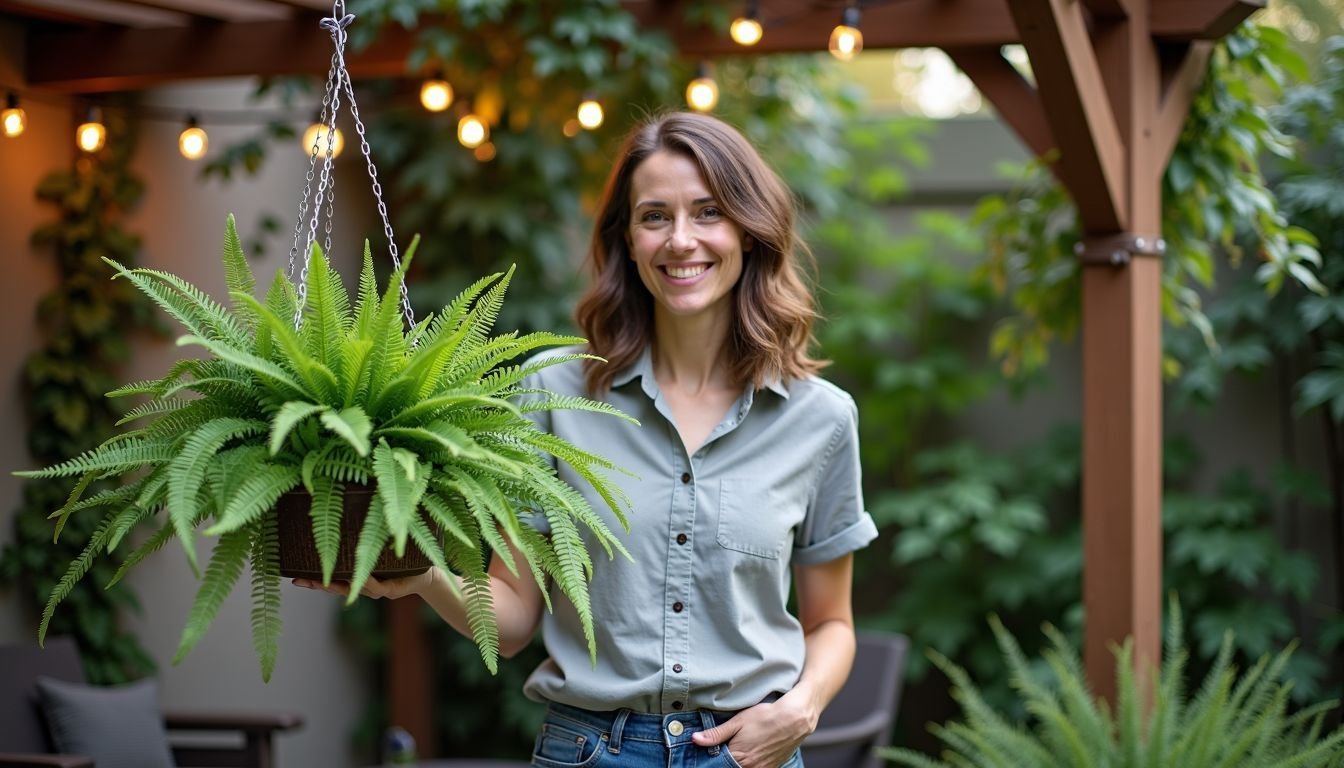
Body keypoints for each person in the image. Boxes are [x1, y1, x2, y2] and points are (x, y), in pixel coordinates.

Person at [295, 111, 877, 768]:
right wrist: (422, 577)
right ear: (626, 239)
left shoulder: (820, 418)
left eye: (708, 212)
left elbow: (832, 623)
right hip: (592, 751)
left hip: (751, 753)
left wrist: (802, 708)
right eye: (655, 216)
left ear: (749, 230)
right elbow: (513, 621)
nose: (681, 240)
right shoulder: (553, 392)